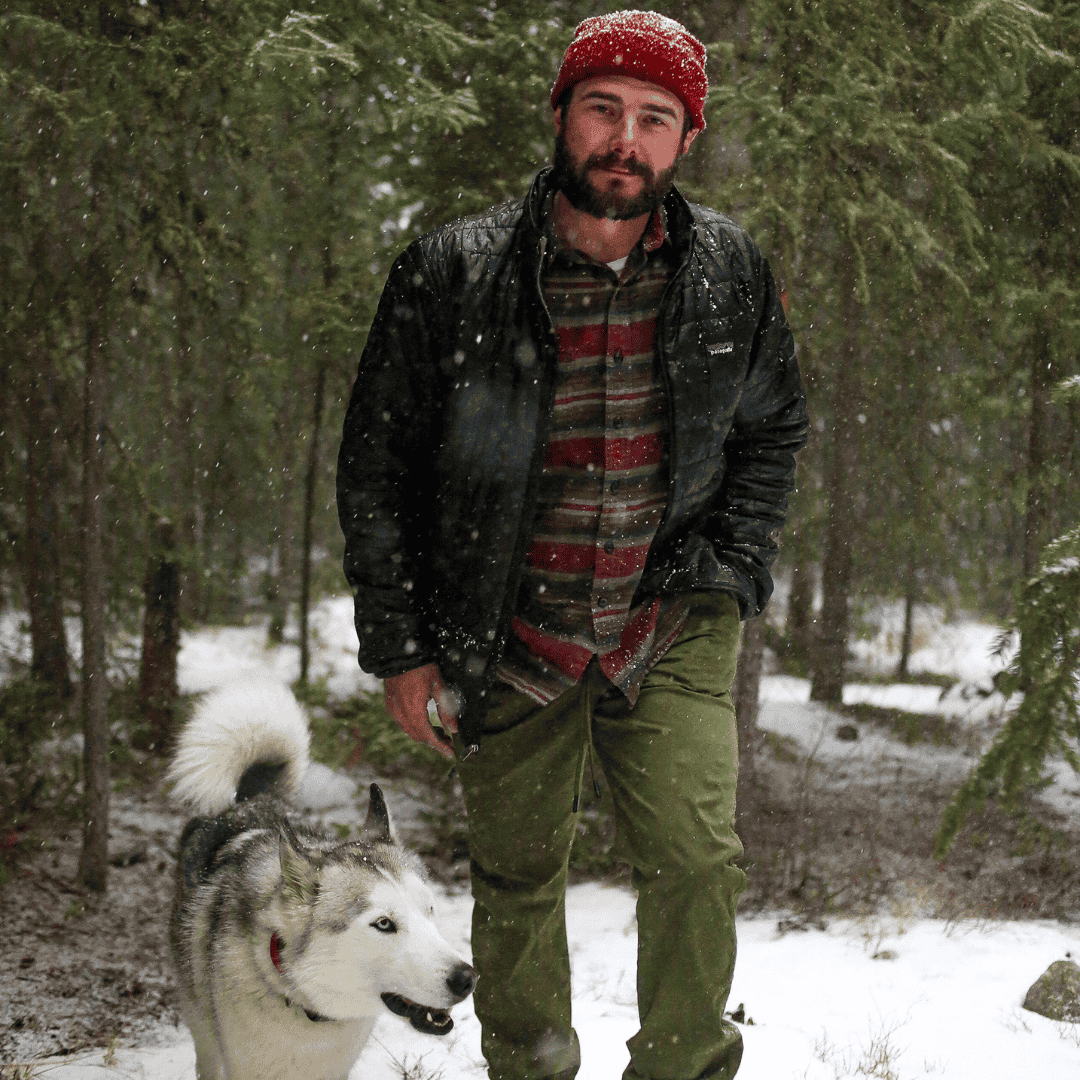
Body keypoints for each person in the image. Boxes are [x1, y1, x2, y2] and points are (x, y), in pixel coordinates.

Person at [336, 11, 808, 1080]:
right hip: (509, 626)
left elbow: (774, 424)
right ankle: (531, 1068)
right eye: (603, 109)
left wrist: (732, 569)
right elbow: (376, 467)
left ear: (684, 139)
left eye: (654, 118)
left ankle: (684, 1068)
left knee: (696, 864)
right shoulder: (452, 272)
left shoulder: (728, 269)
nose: (623, 139)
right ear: (560, 115)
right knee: (515, 879)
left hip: (669, 616)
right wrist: (402, 650)